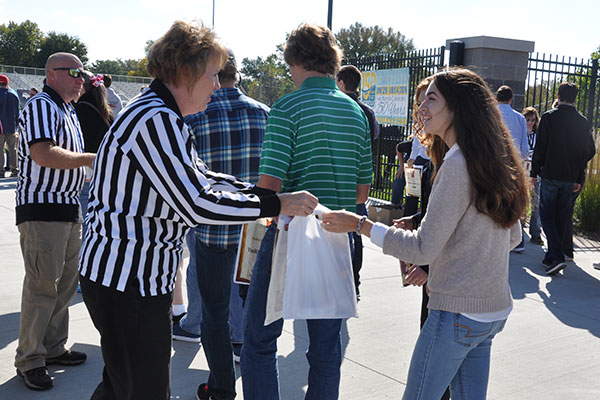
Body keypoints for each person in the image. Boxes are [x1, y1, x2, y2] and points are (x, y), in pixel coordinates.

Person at [78, 21, 317, 400]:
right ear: (185, 73)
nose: (217, 85)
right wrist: (275, 202)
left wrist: (256, 192)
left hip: (131, 279)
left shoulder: (161, 115)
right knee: (142, 390)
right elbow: (197, 202)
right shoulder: (156, 119)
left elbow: (202, 177)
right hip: (129, 282)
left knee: (121, 387)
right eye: (211, 75)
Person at [321, 68, 527, 400]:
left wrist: (360, 225)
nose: (422, 108)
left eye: (432, 99)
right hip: (490, 313)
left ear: (458, 107)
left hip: (457, 315)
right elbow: (513, 235)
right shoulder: (492, 160)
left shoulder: (458, 165)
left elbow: (421, 249)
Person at [240, 23, 372, 400]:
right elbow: (363, 190)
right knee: (326, 350)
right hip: (337, 236)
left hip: (288, 235)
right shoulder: (356, 112)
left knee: (260, 340)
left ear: (294, 59)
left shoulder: (288, 106)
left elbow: (269, 187)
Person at [176, 48, 271, 398]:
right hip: (256, 230)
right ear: (239, 75)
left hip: (212, 229)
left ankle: (220, 387)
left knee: (214, 314)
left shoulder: (192, 117)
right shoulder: (265, 114)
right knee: (256, 312)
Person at [14, 52, 95, 391]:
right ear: (52, 74)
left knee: (63, 285)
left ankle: (53, 347)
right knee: (42, 285)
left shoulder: (67, 109)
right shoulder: (42, 106)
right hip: (42, 209)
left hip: (66, 208)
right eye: (74, 72)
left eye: (84, 73)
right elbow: (43, 154)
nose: (82, 78)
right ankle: (30, 359)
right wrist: (94, 157)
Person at [531, 81, 596, 275]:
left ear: (558, 96)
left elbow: (540, 148)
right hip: (570, 176)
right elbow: (589, 150)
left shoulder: (549, 118)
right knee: (561, 217)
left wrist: (534, 173)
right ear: (575, 98)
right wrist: (578, 174)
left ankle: (557, 256)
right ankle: (551, 256)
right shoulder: (582, 121)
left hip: (550, 173)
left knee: (547, 215)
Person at [335, 64, 379, 299]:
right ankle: (355, 281)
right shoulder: (368, 112)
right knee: (357, 230)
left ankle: (340, 280)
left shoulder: (340, 109)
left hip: (340, 180)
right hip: (361, 179)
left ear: (341, 83)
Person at [74, 72, 114, 240]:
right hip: (104, 171)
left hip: (86, 172)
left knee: (85, 224)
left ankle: (85, 263)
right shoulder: (106, 111)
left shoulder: (80, 109)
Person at [496, 85, 528, 252]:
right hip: (512, 164)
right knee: (511, 201)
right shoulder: (519, 118)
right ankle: (517, 240)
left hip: (492, 163)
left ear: (496, 98)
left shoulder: (490, 114)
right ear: (510, 99)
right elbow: (524, 148)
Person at [522, 106, 543, 245]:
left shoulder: (538, 135)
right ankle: (520, 229)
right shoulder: (520, 133)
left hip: (534, 172)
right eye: (528, 119)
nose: (530, 122)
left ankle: (535, 232)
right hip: (522, 170)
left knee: (536, 201)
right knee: (520, 200)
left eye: (533, 120)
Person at [0, 74, 20, 178]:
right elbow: (18, 112)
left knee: (0, 149)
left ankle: (1, 171)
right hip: (12, 126)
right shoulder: (14, 94)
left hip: (0, 127)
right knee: (13, 149)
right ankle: (15, 170)